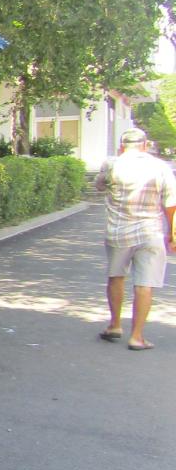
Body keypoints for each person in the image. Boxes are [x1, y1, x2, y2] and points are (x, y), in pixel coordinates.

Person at [95, 128, 176, 351]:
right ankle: (137, 337)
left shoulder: (111, 164)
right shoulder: (160, 167)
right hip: (151, 232)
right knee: (145, 284)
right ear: (145, 145)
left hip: (118, 232)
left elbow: (99, 186)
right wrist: (173, 234)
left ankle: (115, 325)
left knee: (116, 277)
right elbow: (171, 204)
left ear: (122, 146)